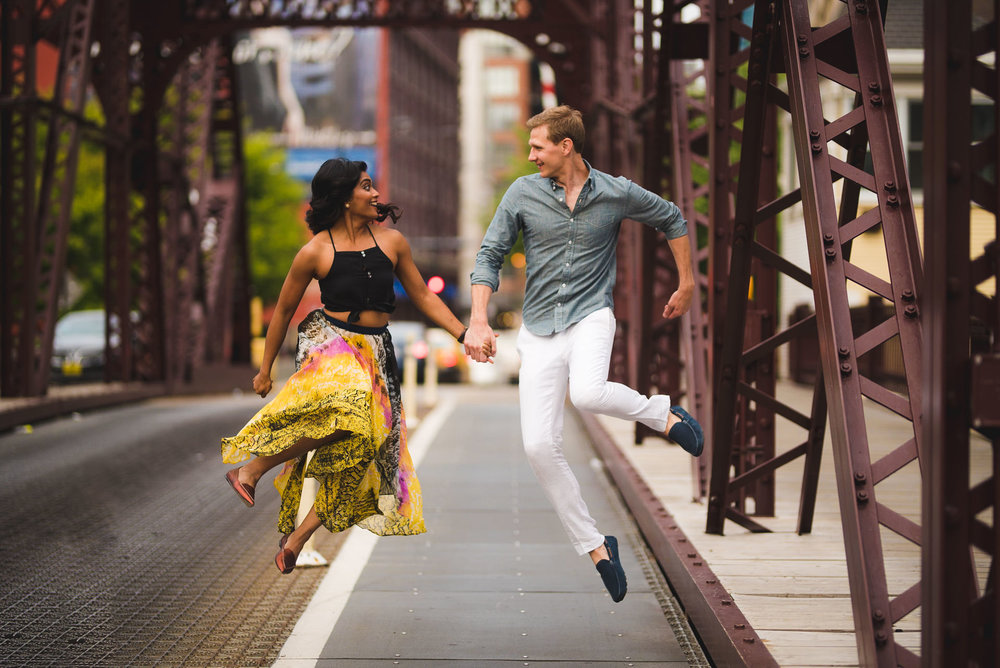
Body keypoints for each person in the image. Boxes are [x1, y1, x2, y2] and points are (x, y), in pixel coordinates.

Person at [464, 105, 704, 603]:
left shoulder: (616, 192)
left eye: (538, 147)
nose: (531, 156)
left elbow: (673, 218)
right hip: (538, 328)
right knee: (537, 447)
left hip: (592, 314)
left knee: (590, 392)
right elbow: (489, 254)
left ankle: (662, 414)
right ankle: (597, 547)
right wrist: (480, 318)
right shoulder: (522, 194)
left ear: (566, 146)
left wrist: (686, 283)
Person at [222, 157, 468, 574]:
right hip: (333, 345)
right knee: (350, 414)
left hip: (377, 352)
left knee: (363, 456)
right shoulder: (314, 251)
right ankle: (254, 467)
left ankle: (295, 541)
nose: (376, 194)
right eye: (366, 187)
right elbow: (282, 312)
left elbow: (424, 298)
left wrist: (463, 335)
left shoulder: (393, 242)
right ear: (344, 198)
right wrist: (265, 370)